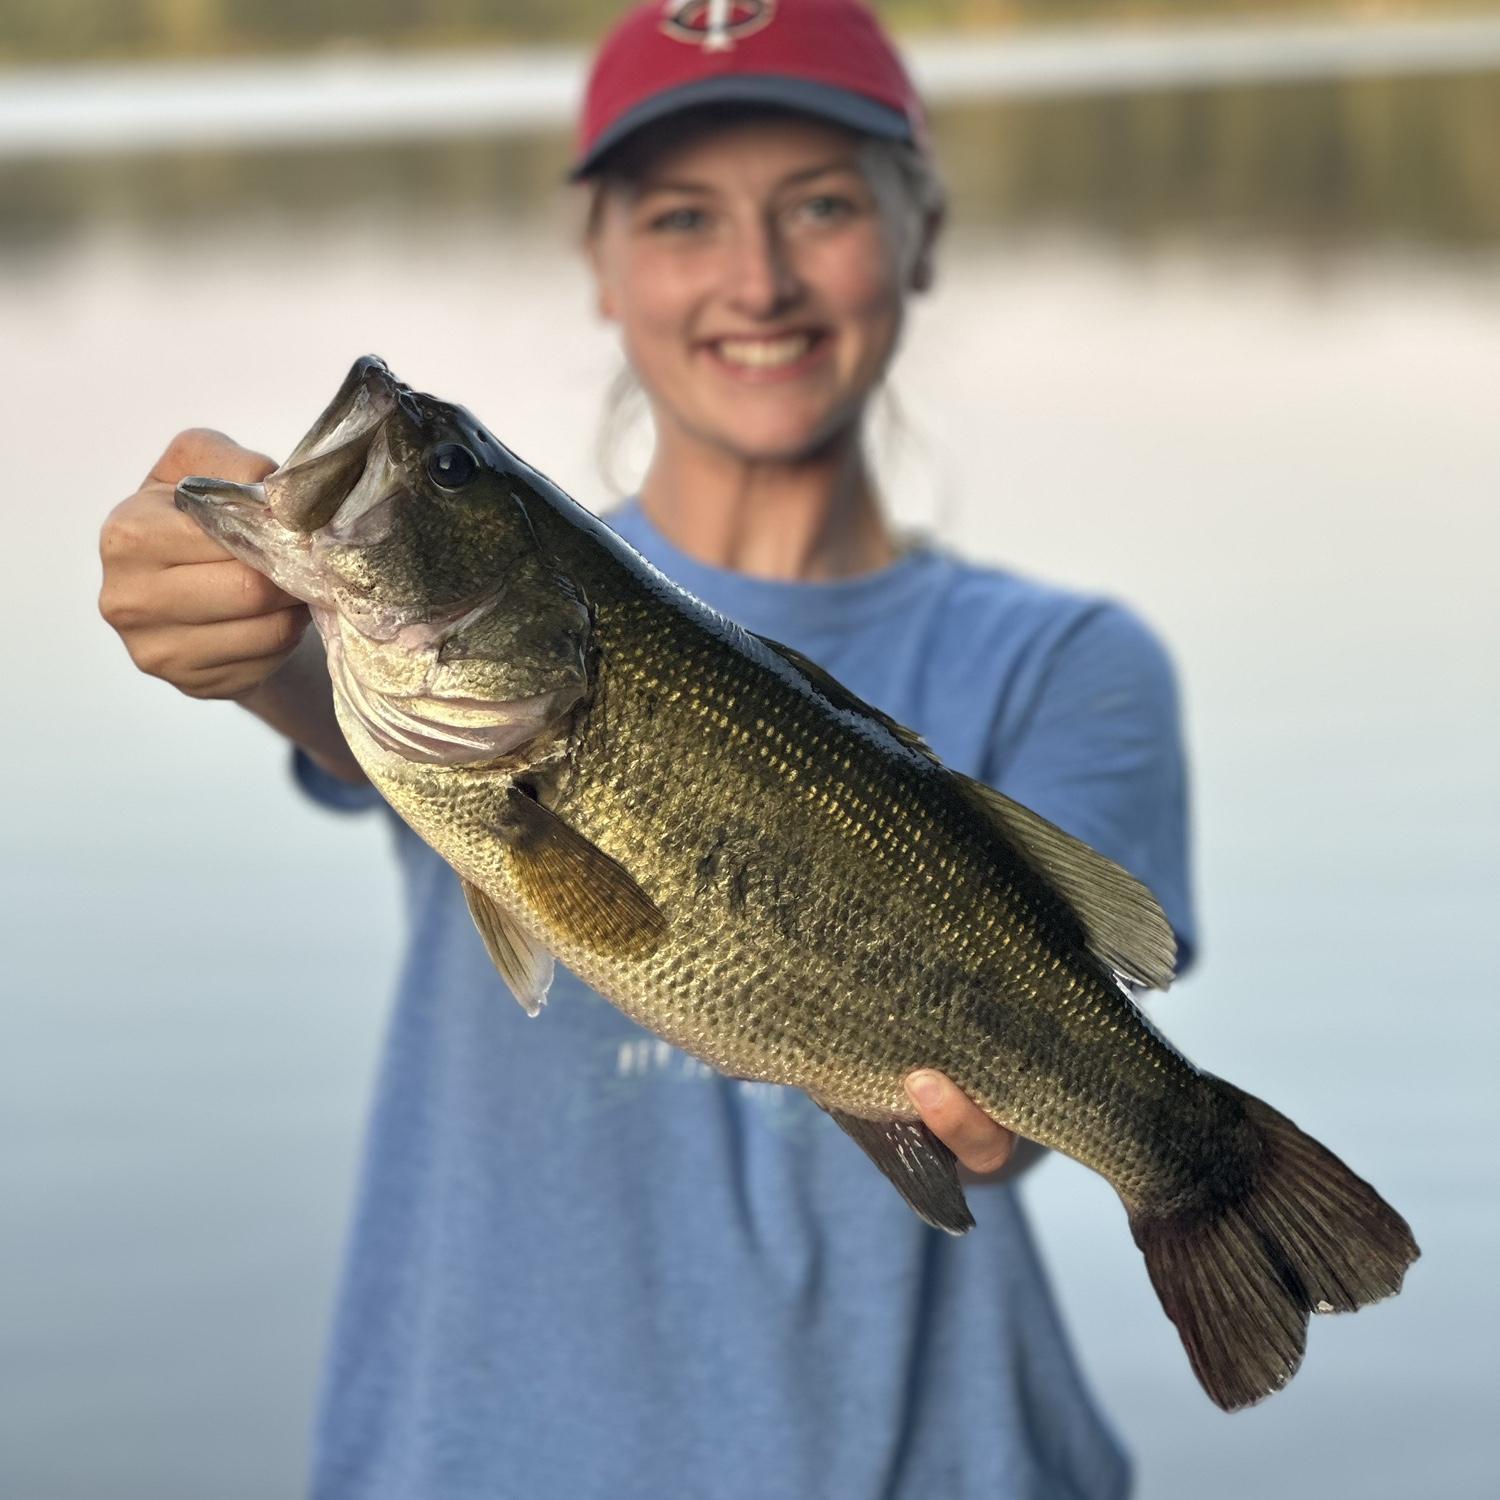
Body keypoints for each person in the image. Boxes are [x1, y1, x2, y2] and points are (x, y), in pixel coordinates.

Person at [99, 1, 1195, 1494]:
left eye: (820, 204)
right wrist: (241, 640)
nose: (758, 277)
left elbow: (1056, 1059)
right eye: (684, 218)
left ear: (921, 229)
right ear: (601, 265)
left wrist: (1059, 1124)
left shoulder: (1070, 664)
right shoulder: (437, 689)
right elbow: (343, 715)